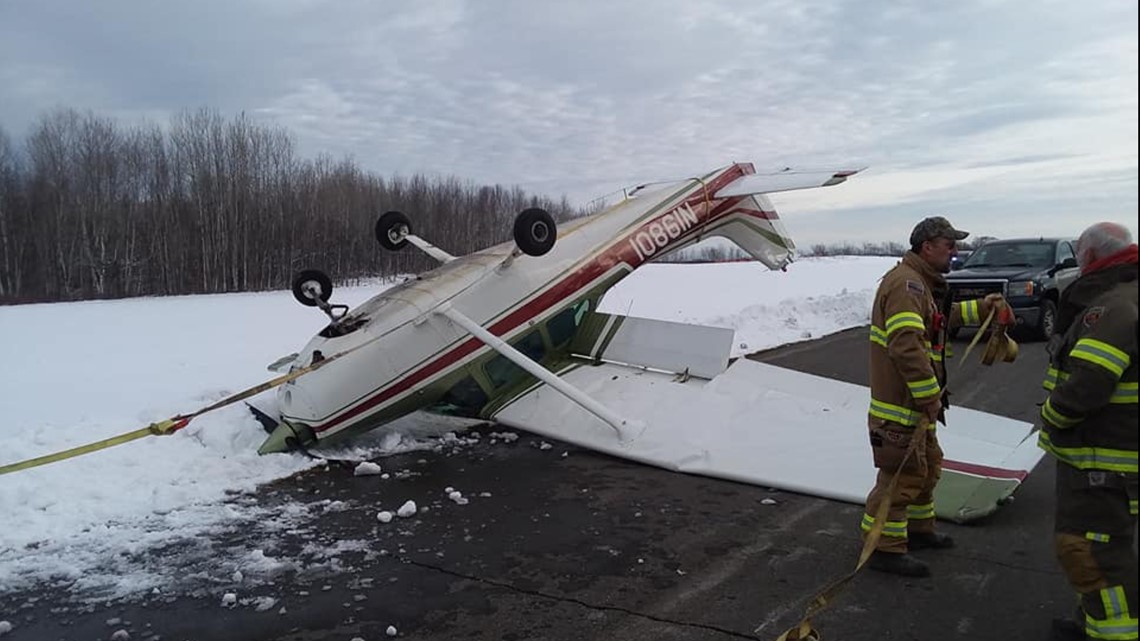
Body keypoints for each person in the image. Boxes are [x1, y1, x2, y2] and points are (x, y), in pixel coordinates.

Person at [861, 216, 1006, 577]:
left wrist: (983, 308)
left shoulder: (920, 285)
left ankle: (918, 530)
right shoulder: (906, 285)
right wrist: (929, 396)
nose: (955, 252)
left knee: (927, 469)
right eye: (949, 245)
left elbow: (937, 320)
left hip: (916, 407)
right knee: (900, 476)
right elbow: (906, 345)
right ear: (928, 246)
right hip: (901, 407)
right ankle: (883, 547)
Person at [1040, 222, 1137, 641]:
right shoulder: (1125, 294)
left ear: (1093, 257)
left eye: (1080, 254)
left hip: (1103, 455)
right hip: (1113, 453)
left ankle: (1114, 632)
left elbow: (1089, 383)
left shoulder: (1112, 308)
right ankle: (1091, 621)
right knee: (1100, 543)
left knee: (1093, 550)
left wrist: (1053, 415)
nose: (1078, 262)